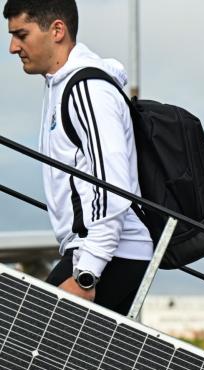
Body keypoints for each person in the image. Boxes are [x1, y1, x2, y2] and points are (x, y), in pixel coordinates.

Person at [5, 0, 151, 313]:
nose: (12, 47)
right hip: (98, 251)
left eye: (21, 34)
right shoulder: (59, 86)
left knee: (26, 346)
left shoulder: (87, 89)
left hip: (109, 254)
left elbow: (112, 183)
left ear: (57, 30)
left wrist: (87, 274)